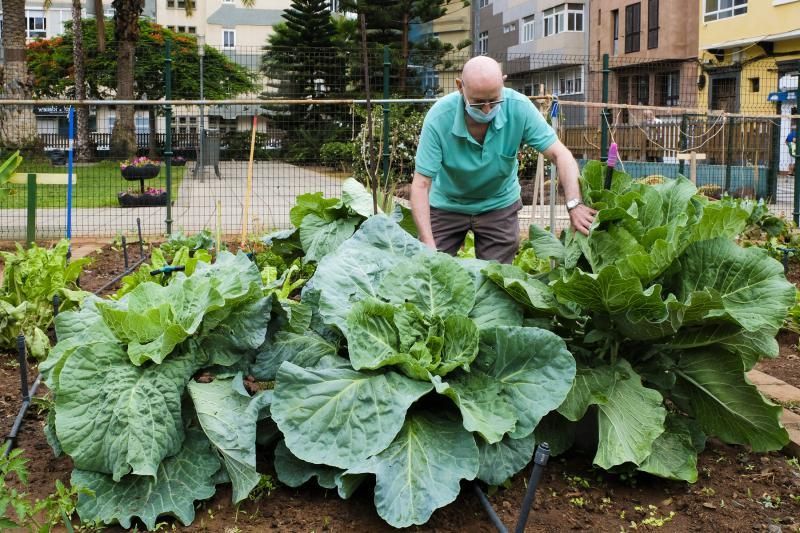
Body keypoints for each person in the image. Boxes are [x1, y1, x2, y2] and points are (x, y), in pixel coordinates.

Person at [410, 56, 596, 264]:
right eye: (479, 102)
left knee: (497, 284)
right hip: (447, 204)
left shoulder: (519, 108)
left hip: (499, 205)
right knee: (431, 273)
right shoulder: (439, 118)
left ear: (503, 82)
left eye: (494, 100)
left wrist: (574, 204)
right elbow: (421, 184)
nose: (488, 109)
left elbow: (561, 155)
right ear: (460, 87)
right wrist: (427, 241)